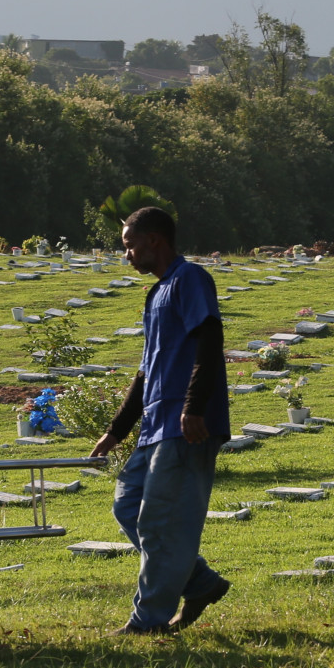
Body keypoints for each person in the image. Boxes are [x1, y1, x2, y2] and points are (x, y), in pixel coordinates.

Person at [92, 206, 233, 635]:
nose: (128, 255)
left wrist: (193, 406)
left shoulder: (190, 280)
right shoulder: (156, 294)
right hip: (155, 423)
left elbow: (210, 340)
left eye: (130, 245)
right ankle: (200, 582)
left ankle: (148, 620)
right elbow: (146, 371)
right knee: (127, 505)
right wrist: (116, 430)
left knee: (157, 521)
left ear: (154, 239)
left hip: (185, 424)